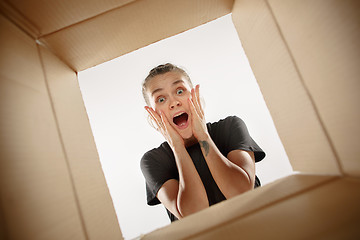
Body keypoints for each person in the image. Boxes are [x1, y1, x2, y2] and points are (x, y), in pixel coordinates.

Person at [140, 63, 265, 222]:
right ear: (153, 117)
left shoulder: (230, 127)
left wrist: (203, 136)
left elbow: (241, 192)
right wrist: (177, 147)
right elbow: (194, 215)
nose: (174, 102)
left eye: (180, 91)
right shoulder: (153, 160)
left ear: (195, 96)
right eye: (161, 99)